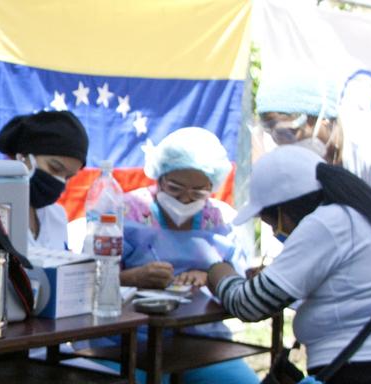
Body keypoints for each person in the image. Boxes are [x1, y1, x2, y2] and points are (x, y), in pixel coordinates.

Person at [208, 146, 371, 383]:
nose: (276, 233)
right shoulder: (370, 215)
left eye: (271, 224)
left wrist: (218, 273)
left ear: (283, 210)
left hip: (367, 372)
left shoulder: (328, 222)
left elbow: (248, 305)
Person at [106, 127, 259, 384]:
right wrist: (133, 277)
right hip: (131, 341)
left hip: (202, 339)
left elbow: (236, 277)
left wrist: (211, 276)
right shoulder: (128, 211)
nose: (186, 199)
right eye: (175, 188)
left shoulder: (216, 218)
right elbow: (93, 278)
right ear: (160, 176)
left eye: (198, 192)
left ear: (212, 185)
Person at [256, 65, 371, 221]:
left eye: (290, 133)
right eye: (275, 134)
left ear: (323, 118)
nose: (285, 144)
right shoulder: (302, 165)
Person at [0, 111, 88, 251]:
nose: (59, 181)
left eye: (68, 177)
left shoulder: (57, 216)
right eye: (54, 168)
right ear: (23, 158)